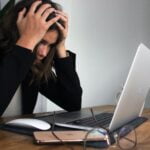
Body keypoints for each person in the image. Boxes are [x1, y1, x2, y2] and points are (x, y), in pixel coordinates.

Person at [0, 0, 82, 116]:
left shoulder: (33, 67)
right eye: (40, 41)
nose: (44, 53)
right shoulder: (19, 59)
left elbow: (73, 104)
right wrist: (27, 40)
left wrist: (60, 45)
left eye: (51, 45)